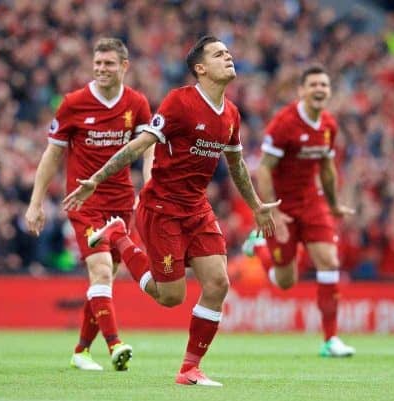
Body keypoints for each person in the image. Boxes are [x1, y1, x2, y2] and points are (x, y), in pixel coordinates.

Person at [63, 35, 280, 386]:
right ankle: (118, 236)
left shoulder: (231, 114)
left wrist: (256, 205)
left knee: (218, 283)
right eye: (219, 54)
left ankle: (189, 369)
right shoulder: (180, 102)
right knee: (170, 297)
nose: (228, 57)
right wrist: (96, 179)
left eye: (228, 52)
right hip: (161, 208)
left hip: (196, 208)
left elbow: (237, 164)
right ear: (200, 68)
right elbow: (140, 144)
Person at [25, 38, 153, 371]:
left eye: (109, 64)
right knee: (100, 270)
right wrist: (35, 202)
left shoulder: (137, 104)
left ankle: (81, 350)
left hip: (122, 204)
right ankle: (115, 345)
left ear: (124, 66)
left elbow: (148, 147)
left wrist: (149, 183)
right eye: (97, 64)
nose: (101, 69)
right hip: (85, 202)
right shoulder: (73, 104)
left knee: (106, 278)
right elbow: (52, 154)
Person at [241, 64, 356, 357]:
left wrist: (333, 205)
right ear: (301, 91)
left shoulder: (329, 125)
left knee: (329, 262)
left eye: (324, 85)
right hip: (283, 206)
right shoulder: (284, 123)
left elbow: (327, 168)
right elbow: (264, 170)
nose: (320, 90)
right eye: (314, 85)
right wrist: (272, 212)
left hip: (313, 204)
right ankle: (259, 247)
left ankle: (331, 340)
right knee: (285, 281)